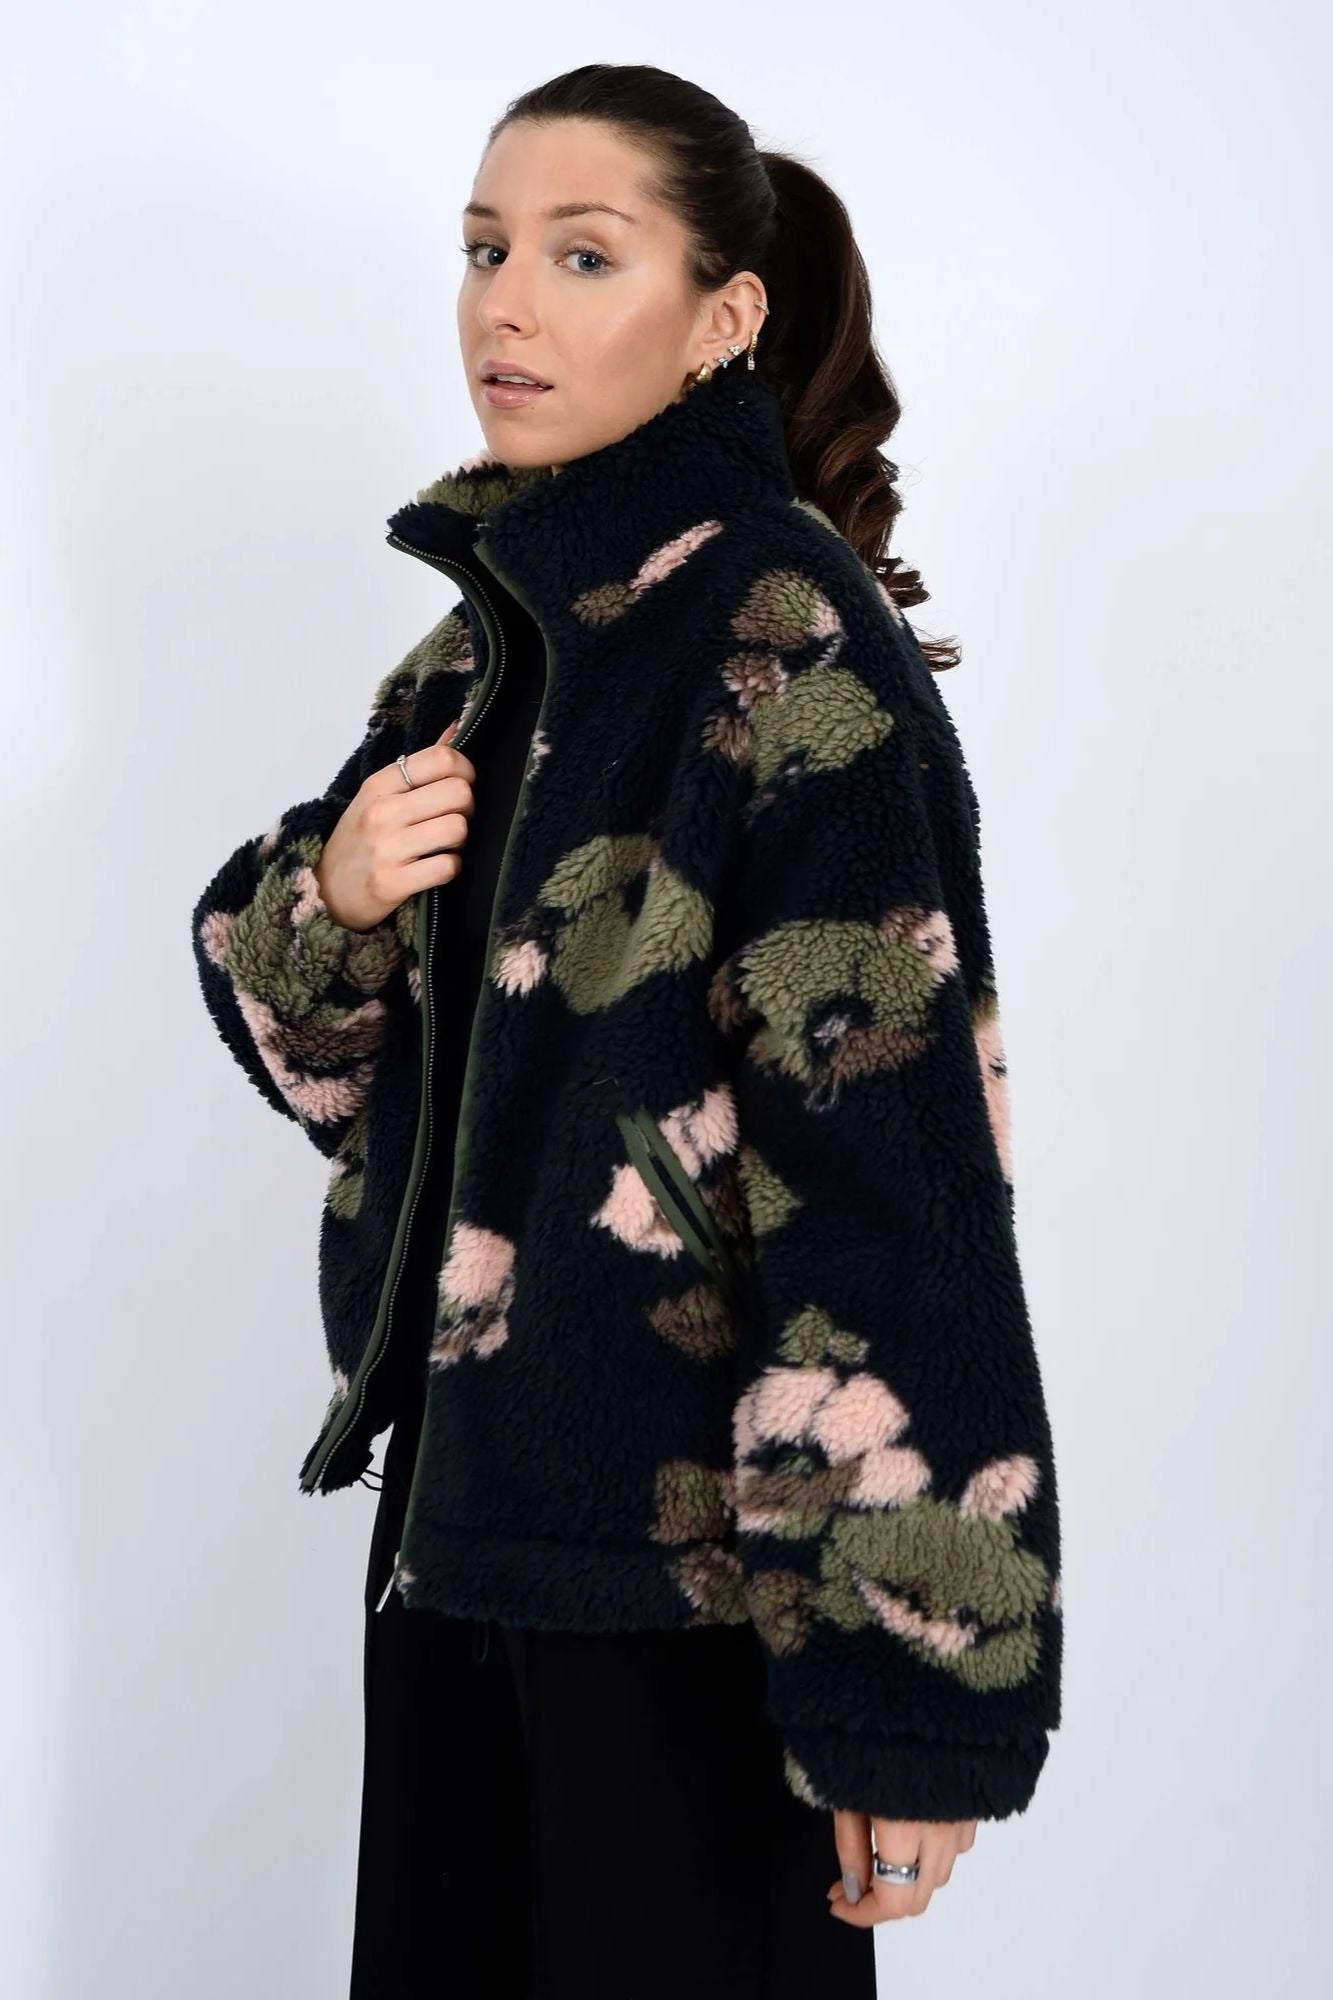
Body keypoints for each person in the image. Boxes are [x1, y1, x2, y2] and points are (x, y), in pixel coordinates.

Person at [189, 62, 1063, 1999]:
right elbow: (339, 1077)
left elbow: (899, 1186)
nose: (504, 303)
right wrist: (332, 894)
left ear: (721, 314)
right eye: (484, 248)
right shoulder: (484, 639)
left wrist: (911, 1692)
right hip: (457, 1540)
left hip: (695, 1598)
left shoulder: (781, 637)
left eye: (582, 255)